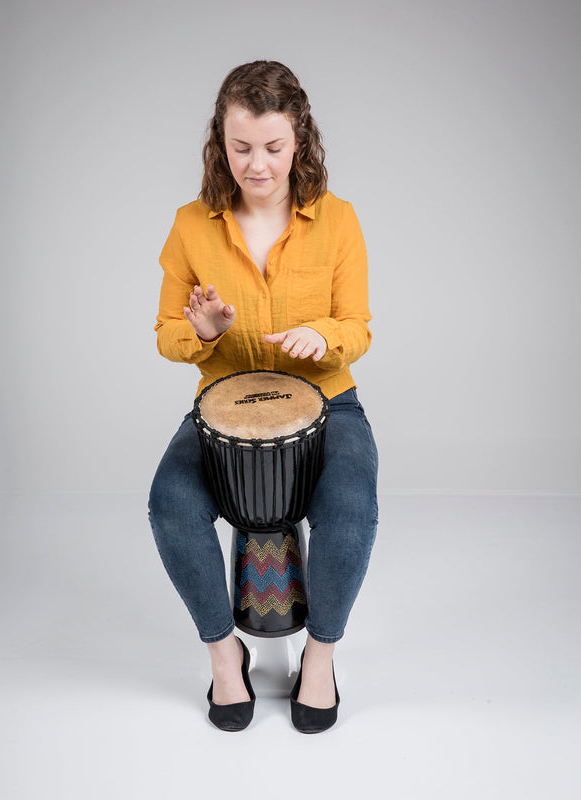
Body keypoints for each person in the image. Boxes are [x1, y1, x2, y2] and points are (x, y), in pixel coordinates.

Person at [148, 61, 378, 733]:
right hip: (225, 405)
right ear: (220, 140)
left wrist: (321, 335)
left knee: (350, 510)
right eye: (241, 146)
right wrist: (201, 333)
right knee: (170, 506)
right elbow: (165, 333)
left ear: (300, 140)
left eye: (273, 147)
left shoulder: (339, 222)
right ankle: (226, 657)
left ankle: (320, 658)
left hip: (328, 402)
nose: (257, 164)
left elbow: (357, 327)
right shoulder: (191, 226)